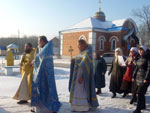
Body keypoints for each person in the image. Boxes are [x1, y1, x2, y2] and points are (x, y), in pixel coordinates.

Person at [31, 36, 61, 113]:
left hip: (45, 74)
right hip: (44, 73)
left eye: (39, 41)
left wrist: (34, 62)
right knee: (45, 89)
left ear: (43, 41)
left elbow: (40, 58)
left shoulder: (46, 49)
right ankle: (43, 108)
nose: (38, 43)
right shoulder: (46, 48)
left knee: (45, 89)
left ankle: (46, 109)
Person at [69, 39, 99, 112]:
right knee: (77, 91)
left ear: (83, 44)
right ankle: (75, 106)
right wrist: (74, 60)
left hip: (83, 77)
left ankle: (83, 107)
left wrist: (82, 77)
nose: (78, 47)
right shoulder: (82, 53)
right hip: (77, 76)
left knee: (82, 91)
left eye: (79, 45)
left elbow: (86, 67)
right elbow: (78, 61)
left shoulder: (88, 54)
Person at [132, 46, 150, 113]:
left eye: (141, 50)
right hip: (138, 78)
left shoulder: (148, 58)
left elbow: (149, 69)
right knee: (141, 93)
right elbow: (136, 68)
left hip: (145, 78)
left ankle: (138, 109)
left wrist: (146, 78)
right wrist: (133, 76)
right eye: (139, 50)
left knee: (140, 93)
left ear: (144, 51)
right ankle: (143, 105)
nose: (140, 52)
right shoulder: (139, 58)